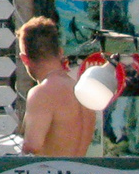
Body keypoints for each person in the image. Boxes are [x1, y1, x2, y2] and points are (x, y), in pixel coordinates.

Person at [18, 16, 97, 157]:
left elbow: (32, 146)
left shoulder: (41, 93)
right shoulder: (82, 90)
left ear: (25, 59)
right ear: (60, 52)